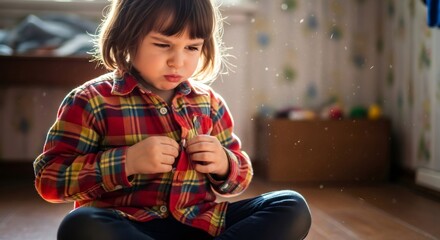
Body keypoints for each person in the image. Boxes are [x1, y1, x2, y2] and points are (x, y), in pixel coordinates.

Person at [33, 0, 311, 239]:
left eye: (192, 47)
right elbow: (50, 180)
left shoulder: (210, 104)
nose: (177, 61)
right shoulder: (91, 100)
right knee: (80, 225)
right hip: (129, 227)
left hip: (203, 224)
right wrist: (126, 162)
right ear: (127, 37)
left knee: (291, 206)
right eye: (163, 44)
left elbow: (240, 178)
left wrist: (225, 163)